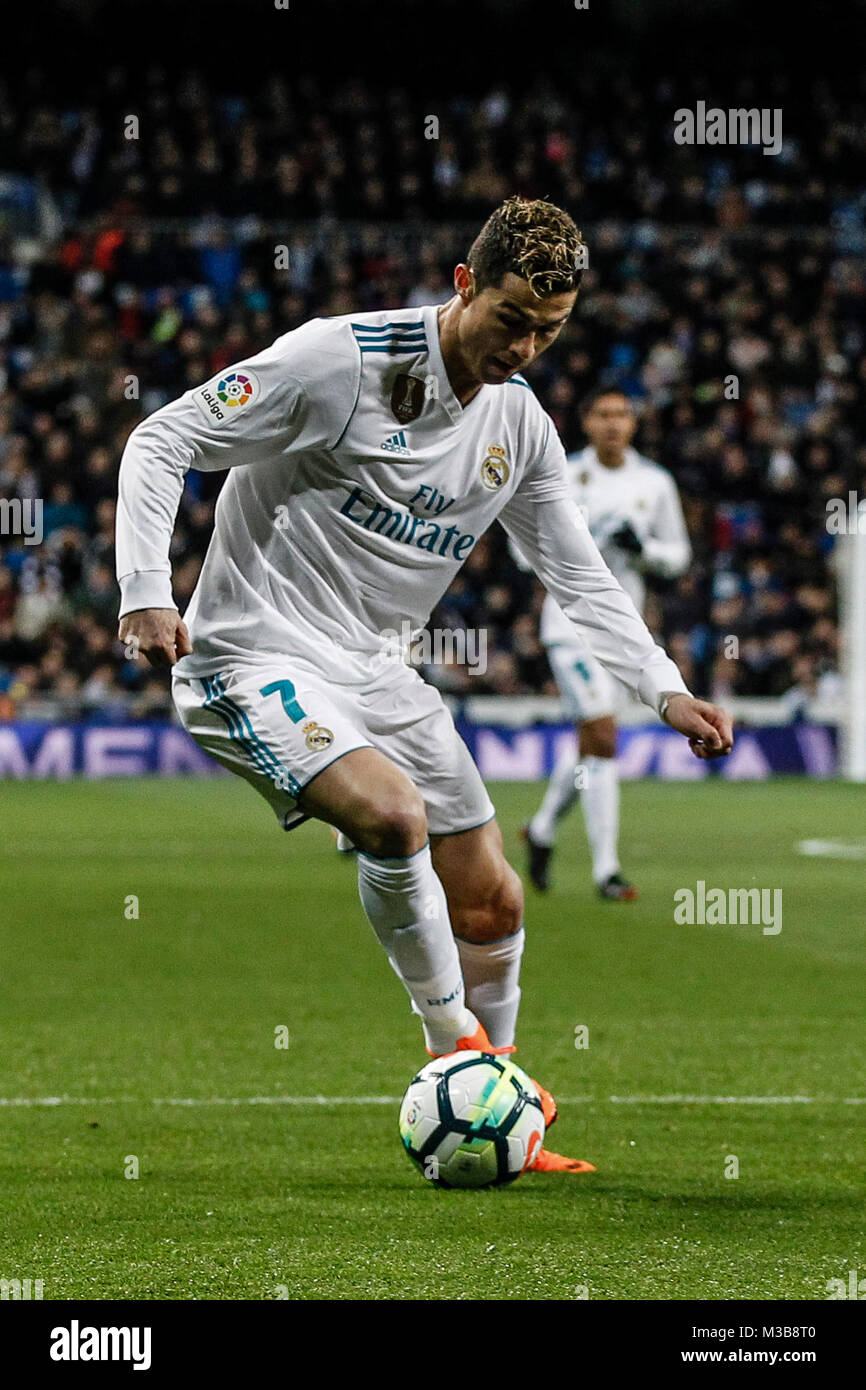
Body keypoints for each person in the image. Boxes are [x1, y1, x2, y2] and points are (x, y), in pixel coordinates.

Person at [116, 197, 733, 1175]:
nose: (525, 346)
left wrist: (663, 689)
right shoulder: (339, 362)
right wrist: (146, 592)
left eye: (549, 329)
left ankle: (507, 1118)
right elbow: (161, 439)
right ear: (461, 286)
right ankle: (457, 1053)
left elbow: (575, 577)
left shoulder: (520, 430)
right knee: (393, 819)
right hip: (249, 652)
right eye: (511, 319)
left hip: (375, 671)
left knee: (492, 902)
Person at [523, 389, 692, 897]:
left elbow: (678, 555)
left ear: (633, 424)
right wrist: (583, 544)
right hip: (570, 627)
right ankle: (606, 871)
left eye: (622, 414)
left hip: (624, 632)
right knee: (603, 733)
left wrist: (646, 550)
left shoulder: (655, 483)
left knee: (591, 744)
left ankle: (541, 829)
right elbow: (520, 545)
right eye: (603, 413)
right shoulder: (563, 475)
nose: (613, 423)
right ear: (587, 422)